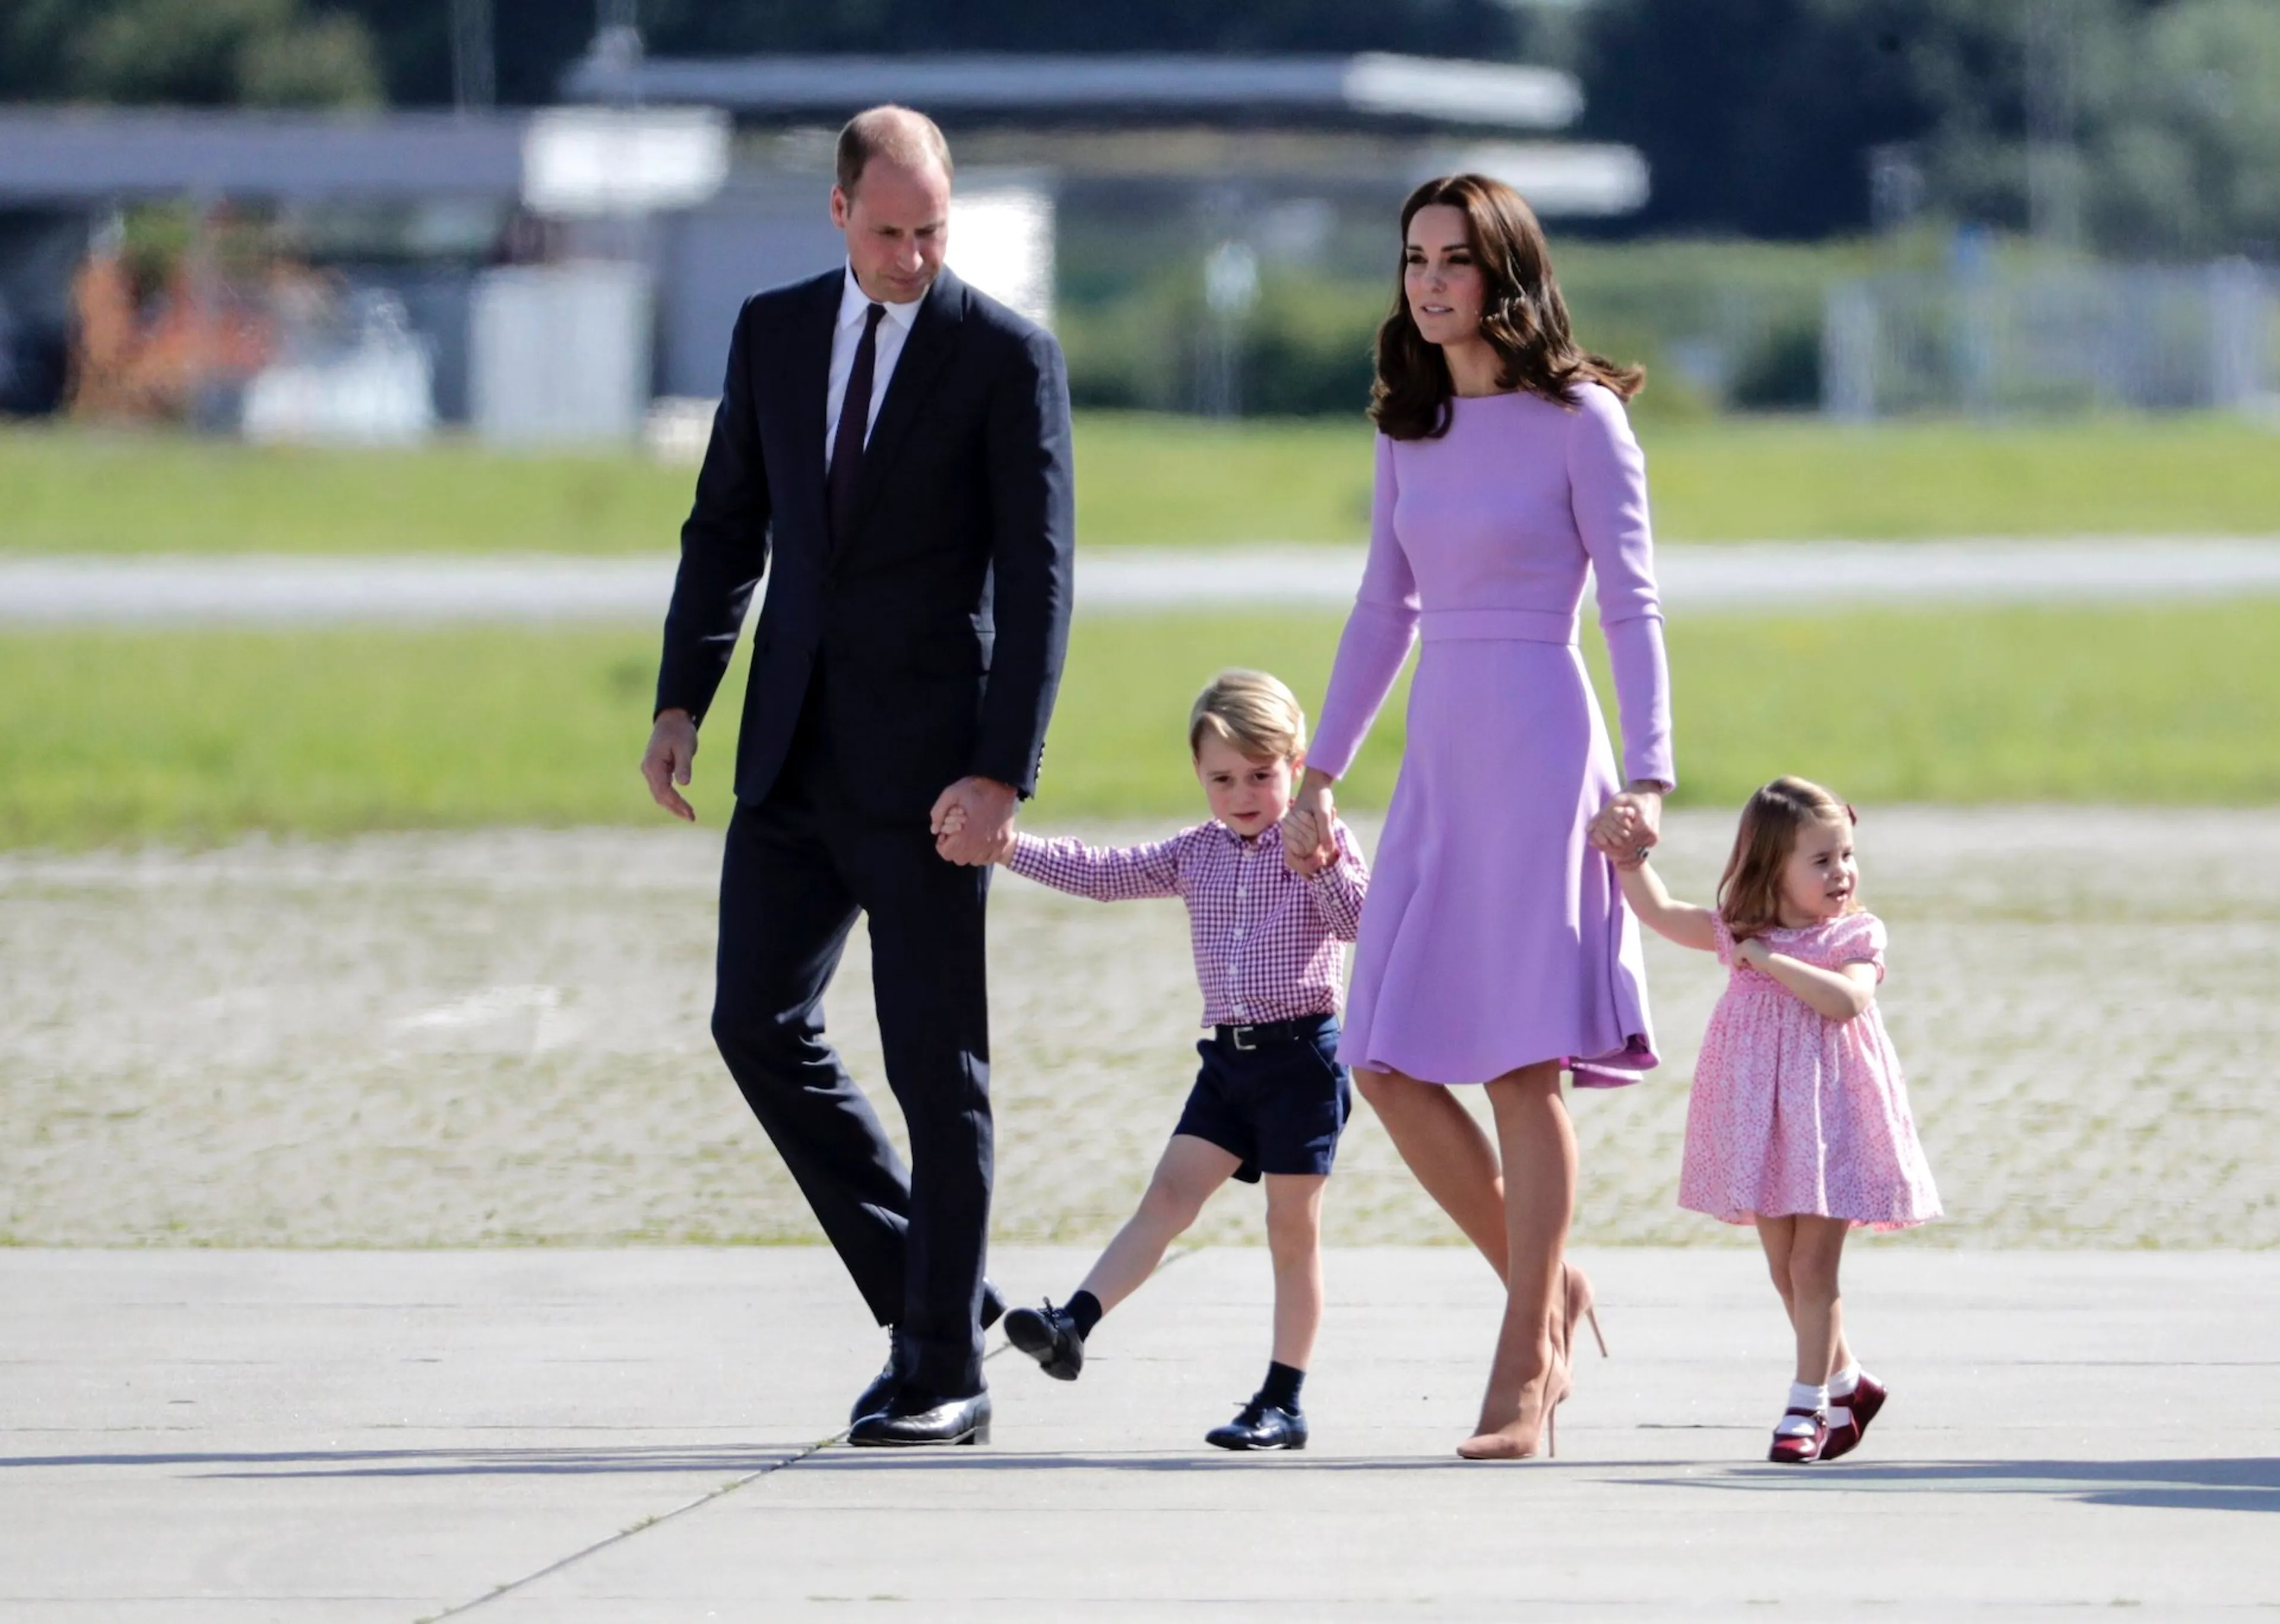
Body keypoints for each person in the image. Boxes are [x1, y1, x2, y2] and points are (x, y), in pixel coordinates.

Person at [639, 105, 1075, 1448]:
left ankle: (943, 1370)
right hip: (788, 759)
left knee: (938, 1067)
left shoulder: (1004, 356)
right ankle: (931, 1297)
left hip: (935, 780)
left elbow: (1040, 580)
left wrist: (1001, 772)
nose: (911, 256)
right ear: (838, 213)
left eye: (932, 231)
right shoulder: (772, 332)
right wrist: (681, 701)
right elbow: (727, 528)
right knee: (753, 1022)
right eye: (888, 231)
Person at [1284, 173, 1668, 1460]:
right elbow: (1381, 606)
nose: (1430, 281)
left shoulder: (1584, 420)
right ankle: (1552, 1285)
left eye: (1454, 258)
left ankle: (1525, 1360)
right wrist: (1320, 772)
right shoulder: (1410, 423)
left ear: (1507, 273)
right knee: (1382, 1056)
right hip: (1441, 758)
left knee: (1520, 1061)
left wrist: (1649, 776)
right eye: (1415, 259)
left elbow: (1633, 604)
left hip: (1546, 749)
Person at [949, 670, 1369, 1450]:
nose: (1242, 794)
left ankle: (1283, 1400)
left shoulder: (1318, 843)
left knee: (1292, 1230)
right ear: (1198, 773)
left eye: (1261, 775)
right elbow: (1104, 873)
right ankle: (1073, 1326)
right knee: (1168, 1197)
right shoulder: (1196, 851)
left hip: (1302, 1062)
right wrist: (1006, 846)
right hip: (1228, 1064)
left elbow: (1361, 923)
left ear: (1297, 765)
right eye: (1221, 778)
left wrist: (1322, 864)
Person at [1611, 777, 1940, 1464]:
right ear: (1772, 866)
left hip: (1831, 1120)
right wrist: (1628, 858)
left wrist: (1769, 958)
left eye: (1847, 855)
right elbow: (1663, 912)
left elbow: (1848, 1000)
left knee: (1813, 1266)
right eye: (1821, 860)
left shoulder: (1854, 934)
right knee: (1785, 1269)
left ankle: (1805, 1406)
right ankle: (1851, 1383)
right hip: (1762, 1122)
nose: (1842, 872)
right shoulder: (1741, 929)